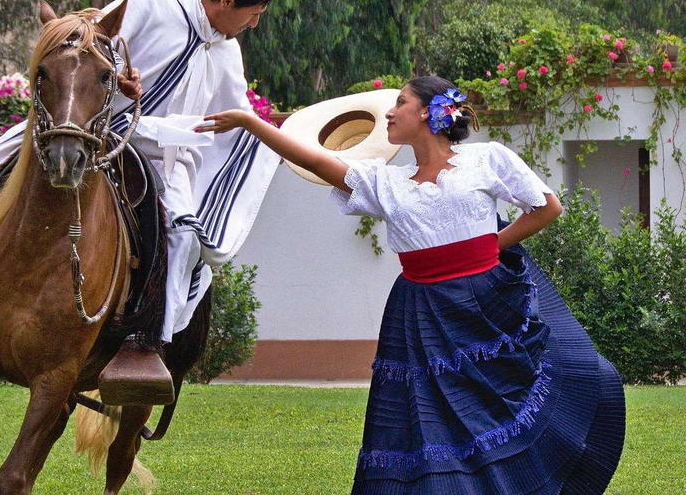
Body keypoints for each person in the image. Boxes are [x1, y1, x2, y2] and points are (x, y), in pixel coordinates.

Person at [201, 75, 626, 494]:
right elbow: (314, 161)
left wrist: (488, 246)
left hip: (484, 304)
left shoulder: (487, 159)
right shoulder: (384, 181)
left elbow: (546, 207)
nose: (388, 111)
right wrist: (250, 121)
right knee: (426, 424)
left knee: (494, 414)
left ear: (427, 111)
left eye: (400, 102)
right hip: (420, 313)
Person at [0, 0, 281, 387]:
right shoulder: (152, 2)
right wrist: (122, 77)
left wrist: (275, 139)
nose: (253, 23)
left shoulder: (226, 50)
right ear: (228, 1)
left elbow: (235, 113)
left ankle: (143, 342)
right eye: (255, 13)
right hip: (88, 126)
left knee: (184, 234)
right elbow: (81, 37)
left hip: (165, 154)